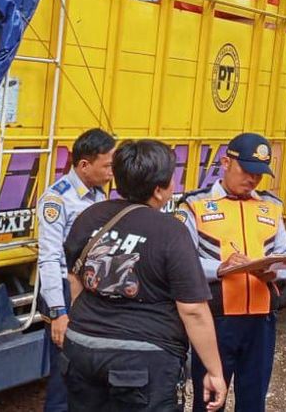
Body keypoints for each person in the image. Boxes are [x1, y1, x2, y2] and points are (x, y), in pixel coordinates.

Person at [61, 140, 228, 411]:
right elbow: (193, 310)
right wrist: (215, 371)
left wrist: (82, 327)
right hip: (143, 360)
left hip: (82, 349)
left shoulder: (90, 217)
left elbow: (75, 281)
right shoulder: (171, 232)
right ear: (159, 190)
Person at [177, 132, 286, 412]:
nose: (253, 180)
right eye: (247, 171)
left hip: (261, 319)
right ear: (225, 162)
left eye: (259, 174)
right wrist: (219, 268)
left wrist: (274, 271)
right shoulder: (195, 205)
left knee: (253, 402)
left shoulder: (272, 206)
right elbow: (182, 263)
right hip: (215, 319)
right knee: (208, 402)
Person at [37, 128, 116, 412]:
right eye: (107, 165)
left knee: (88, 380)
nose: (112, 171)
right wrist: (58, 312)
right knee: (63, 381)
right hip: (64, 293)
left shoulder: (99, 196)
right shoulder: (57, 200)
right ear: (84, 165)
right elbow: (48, 258)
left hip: (91, 291)